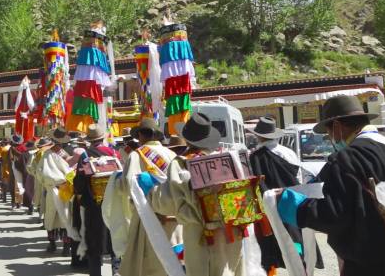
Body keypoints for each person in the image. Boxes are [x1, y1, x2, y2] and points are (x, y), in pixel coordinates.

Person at [276, 95, 385, 276]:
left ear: (337, 126)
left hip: (369, 264)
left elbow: (334, 215)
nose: (330, 138)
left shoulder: (346, 159)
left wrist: (296, 206)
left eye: (328, 133)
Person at [164, 113, 245, 276]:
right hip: (231, 231)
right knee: (228, 269)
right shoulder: (225, 160)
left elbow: (173, 202)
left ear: (186, 139)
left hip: (199, 233)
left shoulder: (180, 163)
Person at [114, 118, 181, 276]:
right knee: (174, 261)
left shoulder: (136, 156)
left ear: (141, 136)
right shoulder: (172, 154)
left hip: (149, 218)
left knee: (151, 264)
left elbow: (128, 185)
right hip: (172, 217)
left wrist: (117, 183)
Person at [248, 117, 306, 276]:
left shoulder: (254, 157)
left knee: (268, 245)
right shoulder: (289, 153)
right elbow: (299, 180)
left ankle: (271, 271)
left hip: (267, 208)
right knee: (294, 239)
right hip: (291, 202)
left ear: (259, 136)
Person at [73, 124, 121, 276]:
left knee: (94, 243)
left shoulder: (85, 156)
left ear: (90, 140)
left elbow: (80, 183)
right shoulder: (114, 153)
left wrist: (79, 195)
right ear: (102, 138)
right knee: (115, 240)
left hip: (94, 206)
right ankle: (116, 271)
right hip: (114, 204)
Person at [36, 134, 73, 254]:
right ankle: (63, 247)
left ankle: (56, 245)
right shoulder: (65, 153)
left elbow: (39, 172)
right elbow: (71, 170)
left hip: (55, 188)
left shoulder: (48, 154)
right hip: (63, 188)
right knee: (62, 216)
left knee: (55, 216)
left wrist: (45, 183)